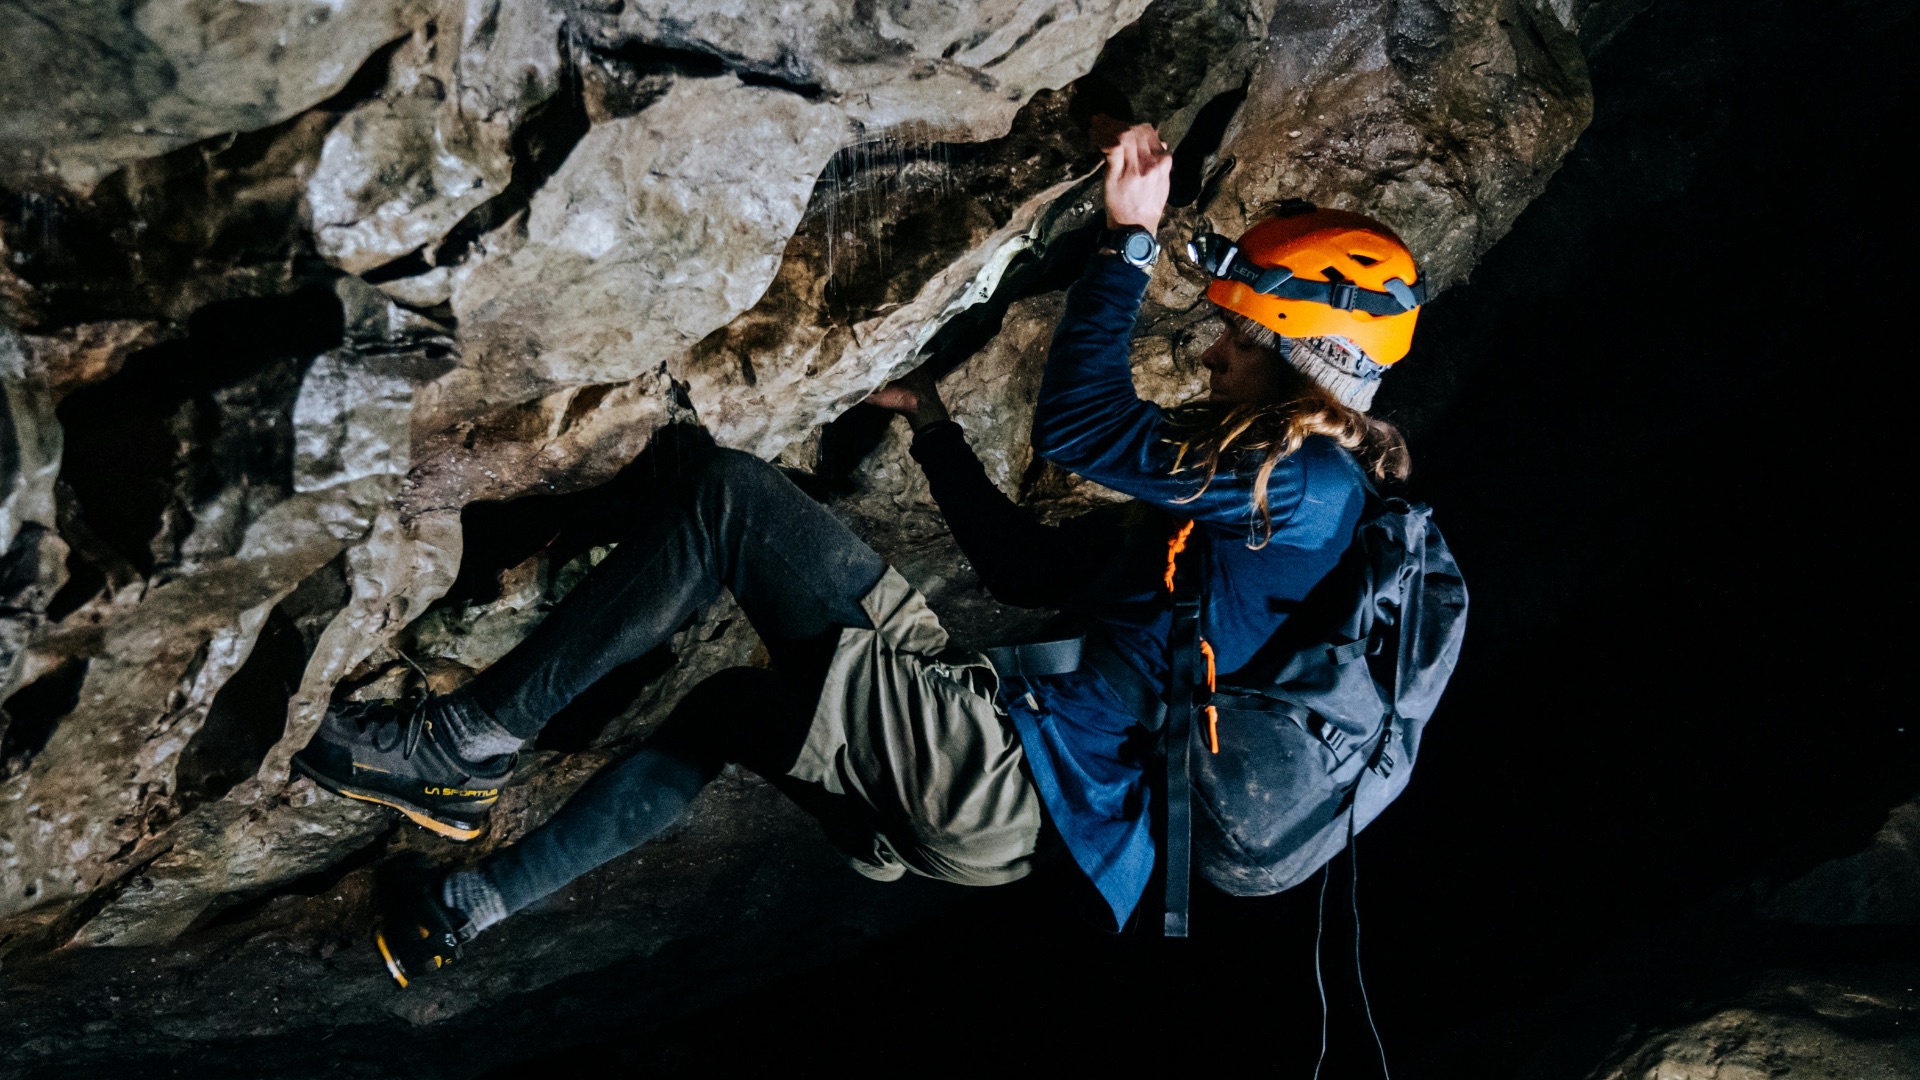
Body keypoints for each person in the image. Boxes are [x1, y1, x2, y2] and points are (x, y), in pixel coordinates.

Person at [291, 121, 1425, 986]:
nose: (1217, 351)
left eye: (1242, 334)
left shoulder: (1306, 485)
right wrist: (931, 424)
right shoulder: (1261, 518)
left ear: (1303, 349)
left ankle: (458, 747)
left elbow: (1080, 429)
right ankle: (458, 915)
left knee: (731, 499)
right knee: (730, 713)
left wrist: (1129, 243)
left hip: (1004, 777)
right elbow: (1024, 572)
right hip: (1011, 805)